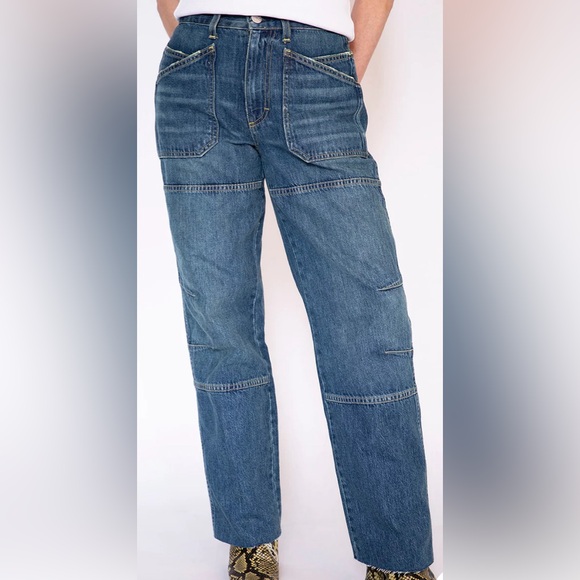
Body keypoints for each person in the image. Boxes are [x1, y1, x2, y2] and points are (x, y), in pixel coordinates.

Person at [154, 1, 436, 578]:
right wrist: (197, 47)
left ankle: (397, 560)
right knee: (220, 324)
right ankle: (249, 539)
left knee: (368, 323)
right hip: (195, 70)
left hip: (314, 67)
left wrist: (340, 70)